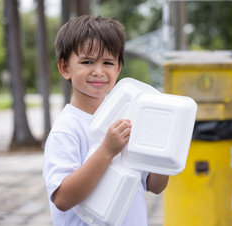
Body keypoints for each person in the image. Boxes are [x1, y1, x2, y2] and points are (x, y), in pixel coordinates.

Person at [43, 15, 169, 226]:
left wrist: (164, 147)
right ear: (65, 68)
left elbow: (154, 185)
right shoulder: (67, 129)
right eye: (87, 61)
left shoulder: (129, 116)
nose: (99, 71)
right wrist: (107, 151)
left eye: (108, 62)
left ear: (118, 68)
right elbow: (62, 198)